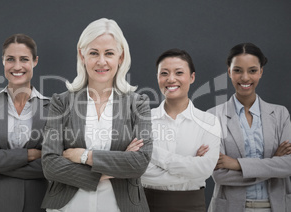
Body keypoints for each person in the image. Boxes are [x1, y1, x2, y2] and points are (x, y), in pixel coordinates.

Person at [41, 18, 152, 212]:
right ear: (82, 55)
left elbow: (139, 163)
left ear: (121, 57)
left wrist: (84, 156)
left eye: (109, 53)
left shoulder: (138, 103)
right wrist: (106, 171)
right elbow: (50, 164)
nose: (101, 61)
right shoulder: (62, 102)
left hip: (121, 206)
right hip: (68, 206)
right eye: (94, 53)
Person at [0, 33, 49, 212]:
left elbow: (51, 164)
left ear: (35, 61)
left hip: (37, 205)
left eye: (24, 59)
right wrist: (31, 154)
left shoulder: (52, 107)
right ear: (3, 61)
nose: (17, 66)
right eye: (11, 59)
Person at [207, 43, 291, 212]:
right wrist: (273, 163)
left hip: (276, 207)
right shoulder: (213, 116)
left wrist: (237, 164)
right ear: (229, 72)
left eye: (252, 71)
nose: (245, 78)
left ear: (261, 72)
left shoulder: (280, 114)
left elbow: (288, 165)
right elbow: (220, 175)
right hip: (229, 207)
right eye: (238, 70)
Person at [141, 49, 221, 211]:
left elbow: (204, 170)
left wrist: (153, 153)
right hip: (145, 205)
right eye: (164, 73)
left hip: (192, 205)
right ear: (157, 77)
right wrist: (190, 167)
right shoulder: (142, 120)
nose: (171, 79)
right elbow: (139, 171)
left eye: (179, 72)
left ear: (192, 77)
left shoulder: (209, 121)